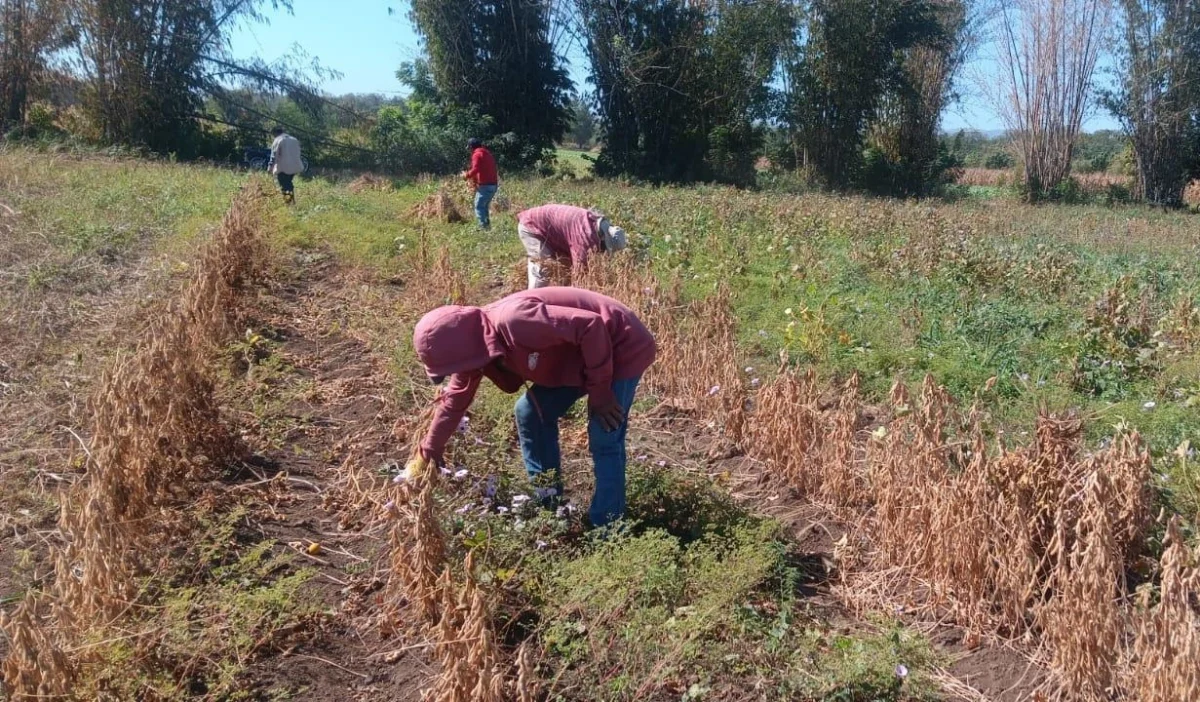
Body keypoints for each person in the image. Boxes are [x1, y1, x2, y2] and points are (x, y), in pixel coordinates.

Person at [406, 287, 656, 528]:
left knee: (605, 433)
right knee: (530, 413)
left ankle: (608, 526)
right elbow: (453, 403)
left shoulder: (516, 321)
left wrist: (601, 393)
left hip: (621, 343)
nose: (453, 373)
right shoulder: (473, 346)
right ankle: (549, 504)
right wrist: (428, 453)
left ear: (462, 349)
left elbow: (591, 326)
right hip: (580, 357)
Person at [517, 204, 628, 289]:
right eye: (604, 248)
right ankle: (531, 303)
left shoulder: (596, 223)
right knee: (543, 268)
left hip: (549, 230)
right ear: (603, 238)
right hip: (532, 226)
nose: (602, 251)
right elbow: (579, 275)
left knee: (564, 269)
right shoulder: (585, 237)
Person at [461, 137, 498, 229]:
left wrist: (466, 175)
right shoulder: (487, 153)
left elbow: (476, 169)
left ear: (471, 147)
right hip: (493, 185)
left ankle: (483, 228)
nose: (469, 150)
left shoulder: (476, 154)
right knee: (484, 206)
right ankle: (487, 226)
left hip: (485, 186)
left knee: (478, 206)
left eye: (469, 148)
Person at [268, 126, 303, 205]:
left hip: (283, 167)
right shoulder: (294, 139)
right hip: (294, 166)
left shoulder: (278, 140)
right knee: (288, 183)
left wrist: (270, 166)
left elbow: (274, 155)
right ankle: (290, 202)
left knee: (285, 185)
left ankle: (289, 203)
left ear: (275, 133)